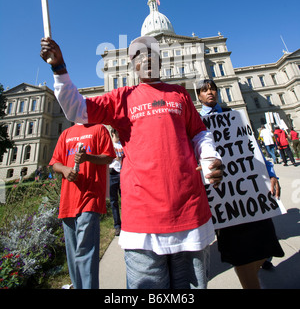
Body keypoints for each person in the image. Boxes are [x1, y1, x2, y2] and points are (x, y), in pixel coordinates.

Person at [41, 35, 223, 290]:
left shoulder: (180, 94)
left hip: (189, 216)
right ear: (133, 65)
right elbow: (76, 110)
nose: (147, 57)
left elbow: (199, 133)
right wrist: (59, 68)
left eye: (152, 53)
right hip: (142, 224)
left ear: (161, 60)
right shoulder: (122, 98)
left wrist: (210, 157)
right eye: (139, 54)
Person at [196, 79, 284, 289]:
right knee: (239, 253)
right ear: (198, 95)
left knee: (265, 247)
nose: (210, 93)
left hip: (251, 192)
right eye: (204, 90)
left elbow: (253, 148)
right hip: (224, 197)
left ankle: (255, 275)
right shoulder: (197, 121)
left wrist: (271, 174)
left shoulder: (235, 116)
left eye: (213, 89)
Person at [49, 123, 115, 289]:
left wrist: (88, 157)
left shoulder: (99, 129)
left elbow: (108, 156)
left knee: (85, 251)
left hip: (90, 197)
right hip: (68, 200)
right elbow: (55, 162)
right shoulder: (66, 133)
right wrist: (64, 170)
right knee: (73, 254)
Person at [109, 128, 124, 236]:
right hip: (112, 173)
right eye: (118, 132)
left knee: (124, 199)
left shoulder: (122, 144)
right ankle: (117, 225)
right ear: (113, 133)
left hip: (123, 172)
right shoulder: (109, 145)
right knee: (114, 201)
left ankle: (127, 223)